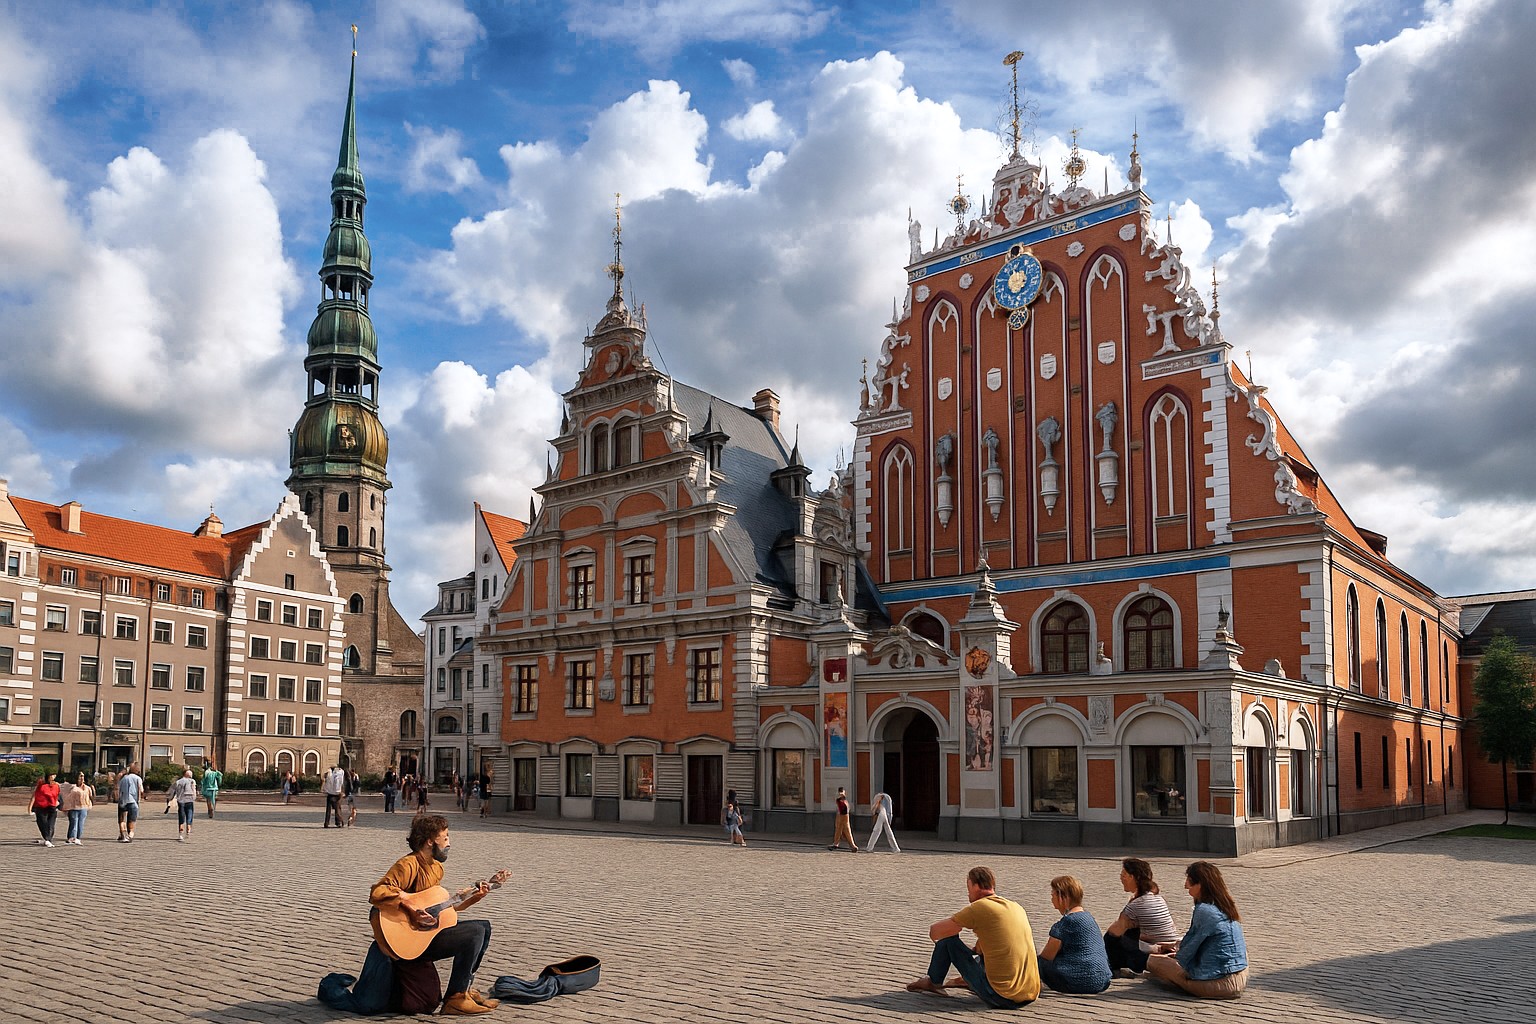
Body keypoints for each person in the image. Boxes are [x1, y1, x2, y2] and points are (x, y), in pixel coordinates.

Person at [369, 814, 498, 1015]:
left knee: (484, 927)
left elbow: (441, 909)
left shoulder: (436, 868)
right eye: (445, 838)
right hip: (406, 941)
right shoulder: (408, 864)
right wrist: (410, 909)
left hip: (425, 936)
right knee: (474, 932)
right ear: (430, 841)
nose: (449, 843)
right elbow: (378, 892)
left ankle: (464, 989)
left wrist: (475, 897)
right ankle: (455, 999)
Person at [906, 865, 1040, 1008]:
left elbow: (936, 931)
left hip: (1001, 996)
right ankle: (965, 980)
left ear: (976, 886)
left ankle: (933, 981)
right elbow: (984, 948)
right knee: (987, 950)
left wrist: (943, 945)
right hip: (1030, 992)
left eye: (968, 887)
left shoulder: (980, 907)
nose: (968, 893)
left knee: (948, 941)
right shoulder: (1015, 906)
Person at [1144, 861, 1248, 1000]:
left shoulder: (1204, 910)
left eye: (1189, 881)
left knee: (1154, 962)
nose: (1185, 885)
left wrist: (1174, 954)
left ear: (1200, 885)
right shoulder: (1225, 907)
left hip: (1219, 983)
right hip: (1240, 974)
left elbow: (1187, 952)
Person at [1036, 875, 1111, 994]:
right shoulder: (1088, 918)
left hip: (1079, 981)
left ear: (1062, 898)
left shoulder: (1067, 922)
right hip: (1103, 981)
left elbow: (1047, 956)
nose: (1051, 899)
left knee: (1037, 960)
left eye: (1053, 895)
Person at [1103, 857, 1179, 975]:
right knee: (1129, 931)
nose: (1121, 878)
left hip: (1155, 952)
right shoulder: (1158, 898)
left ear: (1133, 877)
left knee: (1110, 938)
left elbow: (1114, 931)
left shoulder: (1136, 905)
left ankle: (1112, 966)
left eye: (1124, 875)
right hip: (1168, 945)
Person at [27, 771, 61, 847]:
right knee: (42, 823)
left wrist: (58, 802)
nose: (52, 777)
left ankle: (48, 839)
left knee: (51, 824)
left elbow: (58, 795)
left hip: (52, 807)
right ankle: (47, 839)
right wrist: (30, 807)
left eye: (54, 775)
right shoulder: (41, 785)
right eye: (51, 775)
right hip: (41, 807)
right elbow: (35, 796)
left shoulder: (56, 786)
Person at [116, 762, 145, 842]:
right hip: (133, 801)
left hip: (122, 800)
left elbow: (119, 788)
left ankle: (122, 834)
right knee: (132, 820)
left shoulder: (123, 778)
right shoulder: (138, 778)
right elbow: (141, 790)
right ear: (137, 770)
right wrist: (142, 796)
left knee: (121, 819)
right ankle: (130, 835)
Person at [63, 771, 93, 845]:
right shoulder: (71, 787)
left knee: (81, 824)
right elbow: (65, 794)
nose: (81, 778)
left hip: (84, 807)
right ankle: (72, 837)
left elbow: (90, 796)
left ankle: (78, 838)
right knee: (74, 823)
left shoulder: (87, 787)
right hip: (73, 807)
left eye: (82, 776)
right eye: (80, 776)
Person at [170, 768, 199, 841]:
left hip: (181, 801)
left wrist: (171, 799)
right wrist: (194, 798)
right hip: (189, 800)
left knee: (181, 816)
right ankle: (188, 829)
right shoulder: (192, 781)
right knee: (190, 814)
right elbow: (194, 790)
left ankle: (180, 832)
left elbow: (173, 791)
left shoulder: (178, 782)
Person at [828, 786, 858, 852]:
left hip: (841, 814)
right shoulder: (844, 799)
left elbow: (838, 800)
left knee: (839, 829)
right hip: (845, 814)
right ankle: (852, 846)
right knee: (846, 830)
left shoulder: (839, 797)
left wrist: (840, 794)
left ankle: (836, 844)